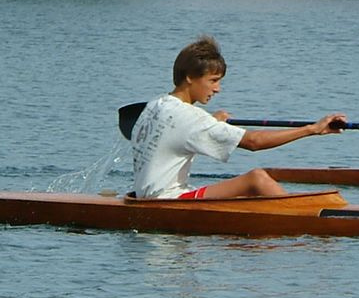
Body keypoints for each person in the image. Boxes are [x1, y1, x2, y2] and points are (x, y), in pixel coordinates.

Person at [130, 36, 346, 200]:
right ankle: (307, 222)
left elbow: (179, 132)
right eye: (213, 80)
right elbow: (254, 142)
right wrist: (312, 129)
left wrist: (212, 122)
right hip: (168, 201)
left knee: (248, 197)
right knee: (257, 179)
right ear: (189, 77)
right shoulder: (192, 119)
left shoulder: (156, 105)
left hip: (146, 197)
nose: (217, 89)